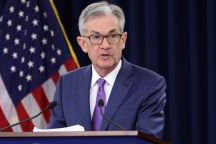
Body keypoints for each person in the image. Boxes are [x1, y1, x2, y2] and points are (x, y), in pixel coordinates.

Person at [47, 1, 167, 138]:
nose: (105, 45)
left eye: (112, 36)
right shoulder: (66, 84)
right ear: (83, 44)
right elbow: (54, 138)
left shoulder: (149, 84)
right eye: (96, 37)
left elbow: (147, 140)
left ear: (123, 40)